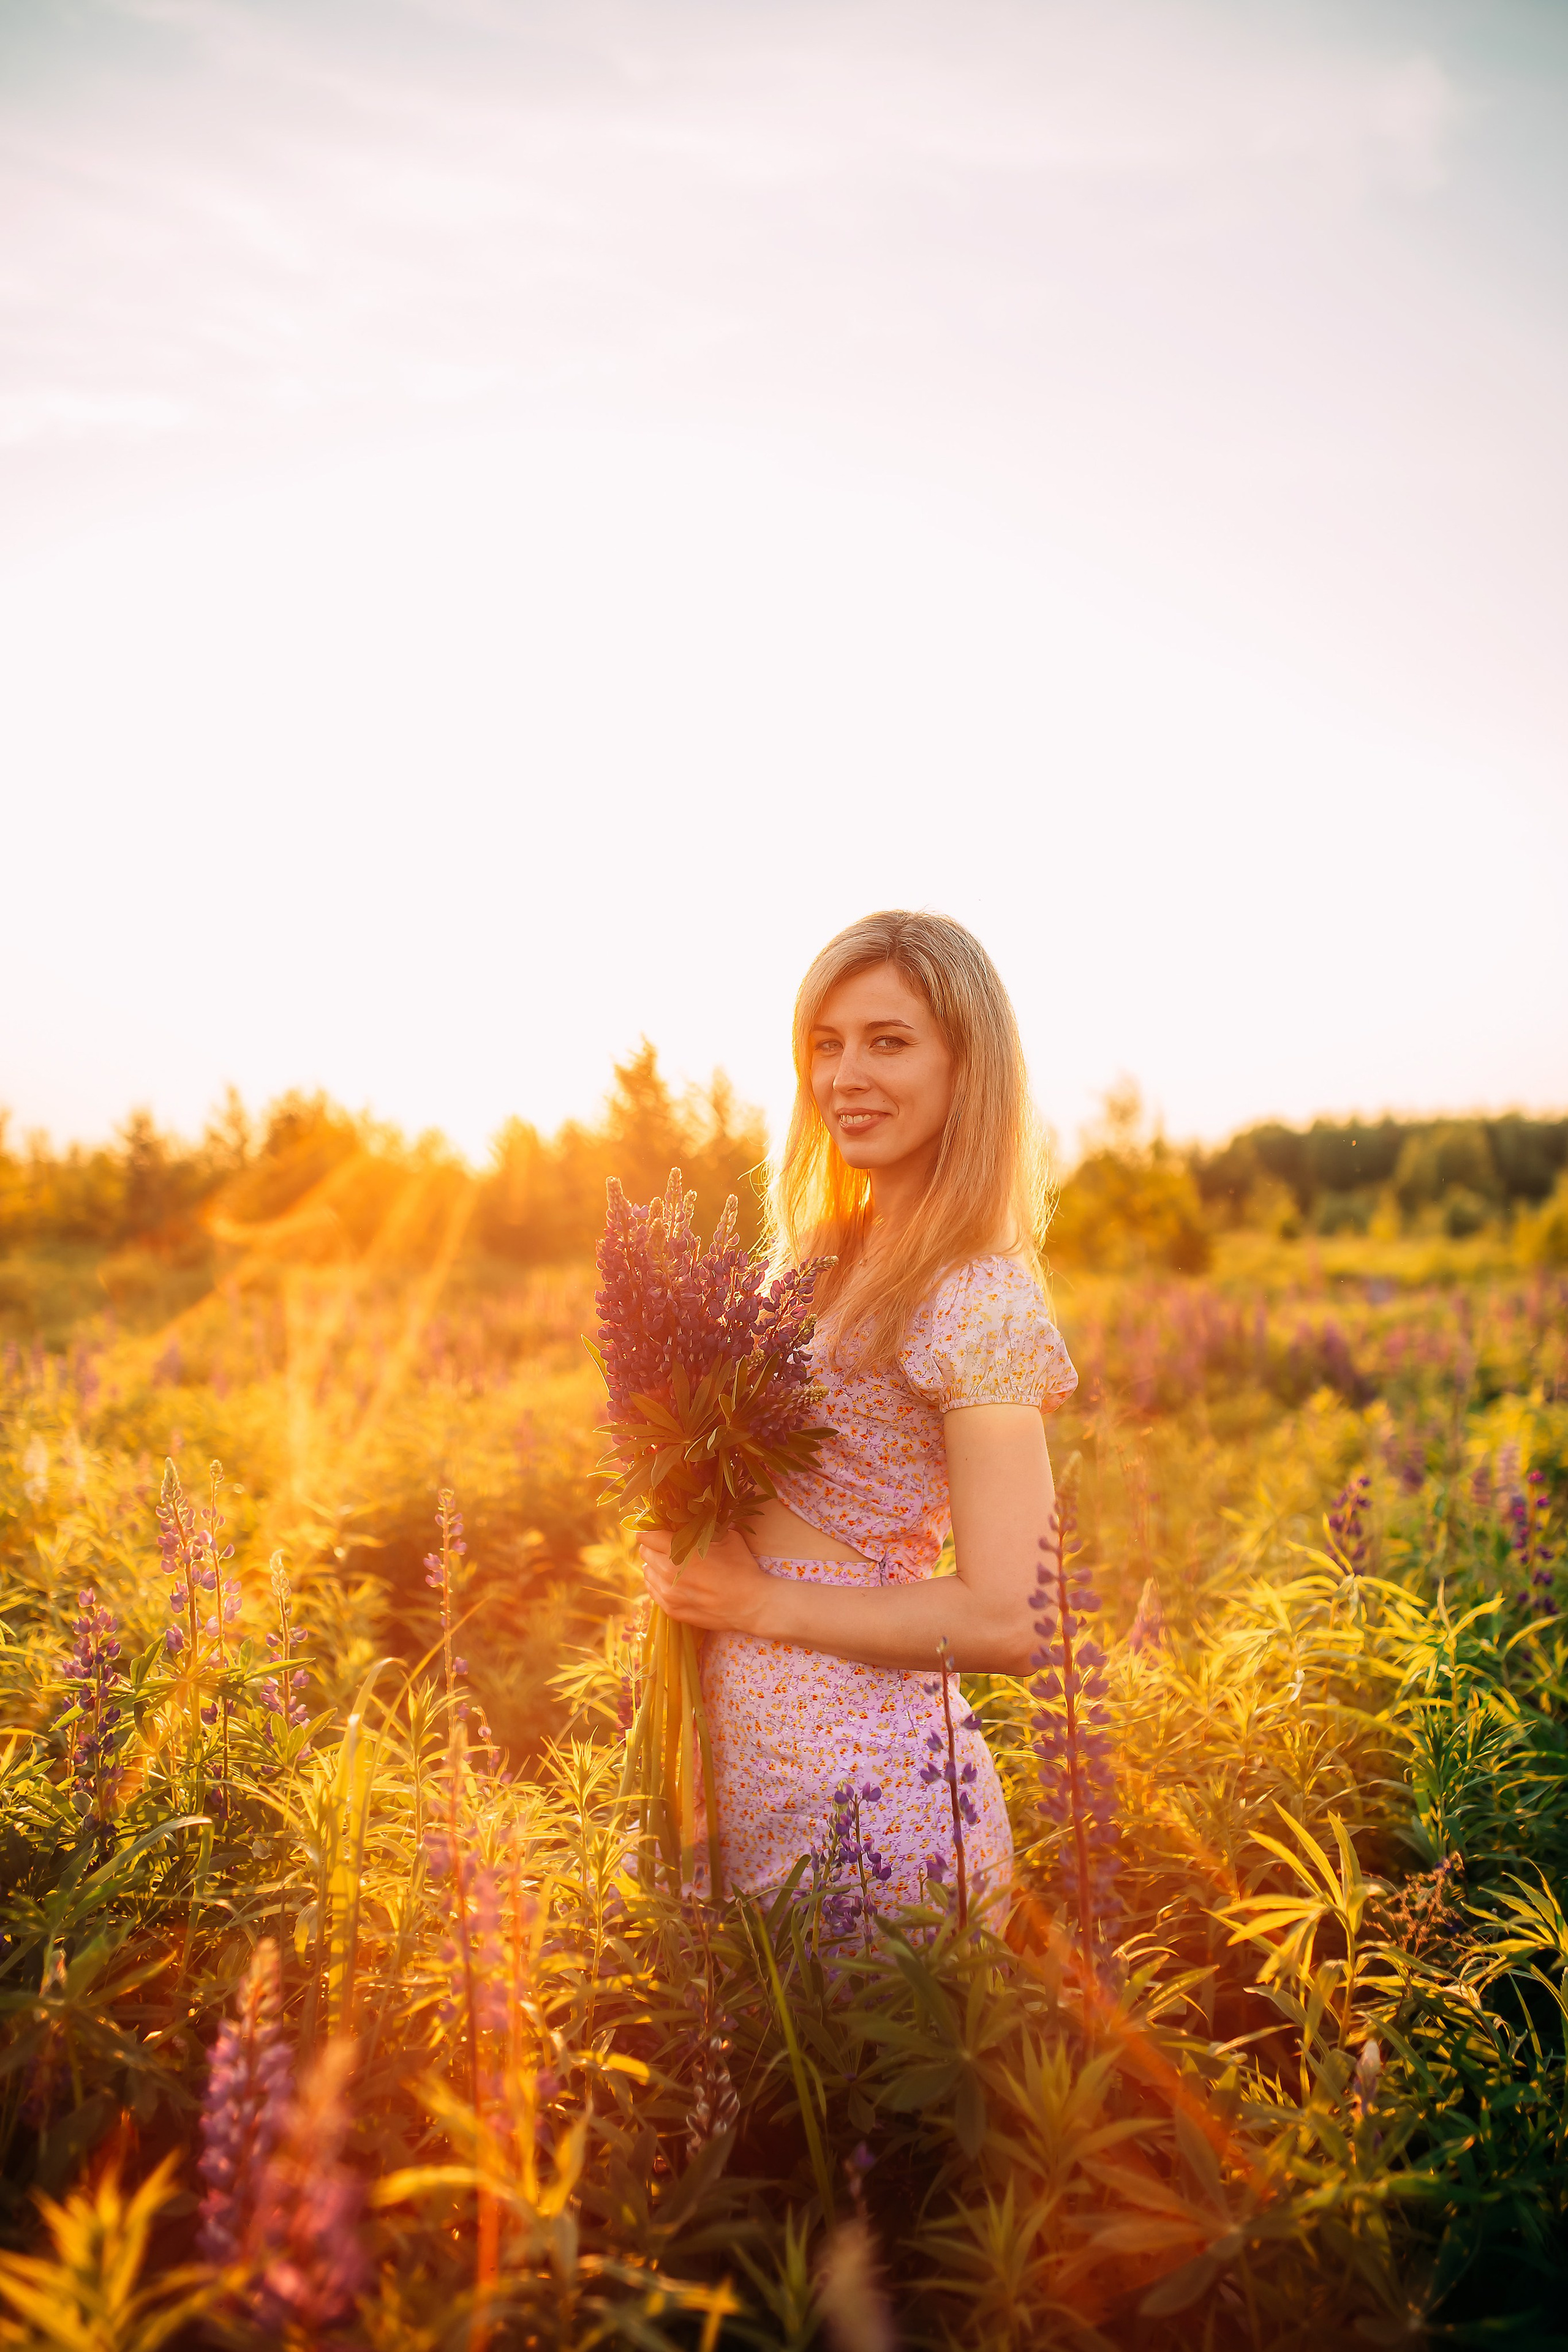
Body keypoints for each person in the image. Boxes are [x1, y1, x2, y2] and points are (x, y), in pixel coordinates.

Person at [639, 908, 1076, 1913]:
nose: (845, 1076)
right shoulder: (817, 1259)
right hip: (741, 1767)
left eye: (888, 1041)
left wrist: (759, 1604)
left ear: (969, 1067)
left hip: (870, 1801)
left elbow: (1017, 1619)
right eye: (825, 1046)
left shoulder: (978, 1290)